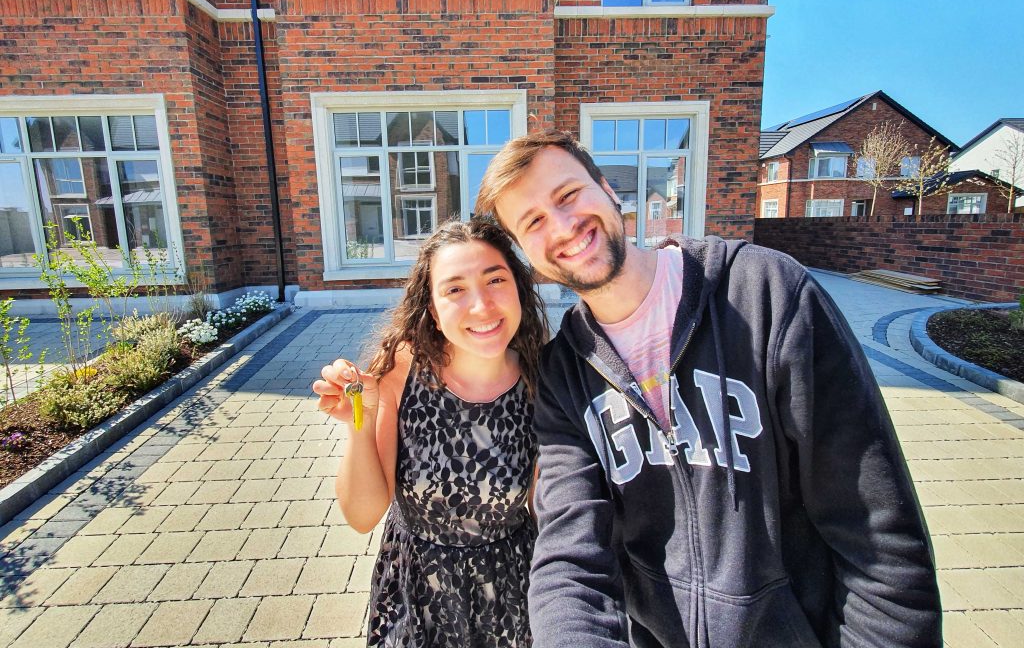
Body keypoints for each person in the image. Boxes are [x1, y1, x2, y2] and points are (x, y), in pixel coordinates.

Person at [475, 131, 942, 648]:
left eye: (568, 196)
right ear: (526, 253)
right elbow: (570, 557)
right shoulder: (564, 372)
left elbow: (877, 532)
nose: (562, 226)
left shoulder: (767, 295)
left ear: (608, 189)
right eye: (533, 222)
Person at [313, 217, 548, 647]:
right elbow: (363, 516)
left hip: (513, 598)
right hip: (415, 598)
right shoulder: (404, 370)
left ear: (519, 288)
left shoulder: (542, 379)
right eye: (455, 289)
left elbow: (547, 513)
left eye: (495, 279)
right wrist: (359, 425)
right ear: (433, 312)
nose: (481, 305)